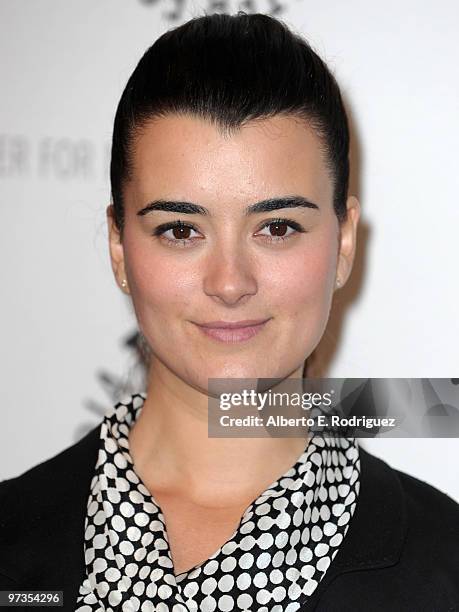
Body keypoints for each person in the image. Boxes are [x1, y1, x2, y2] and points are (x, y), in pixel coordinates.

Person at [1, 11, 458, 612]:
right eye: (180, 230)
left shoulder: (444, 568)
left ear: (343, 243)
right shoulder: (12, 539)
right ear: (119, 246)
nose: (230, 282)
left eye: (276, 227)